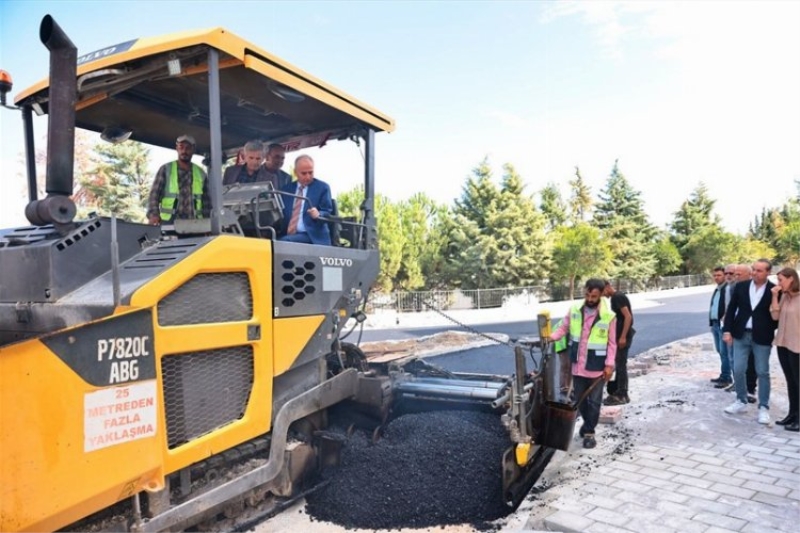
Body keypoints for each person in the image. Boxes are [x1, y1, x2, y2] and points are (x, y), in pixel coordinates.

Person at [550, 278, 617, 449]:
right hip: (578, 366)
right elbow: (563, 328)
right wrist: (549, 337)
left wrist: (609, 365)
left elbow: (612, 344)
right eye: (587, 295)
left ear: (601, 295)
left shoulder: (609, 316)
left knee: (594, 402)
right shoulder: (574, 309)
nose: (590, 299)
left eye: (594, 296)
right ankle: (588, 424)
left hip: (597, 368)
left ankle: (589, 433)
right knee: (580, 400)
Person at [722, 259, 778, 424]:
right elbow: (731, 310)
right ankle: (741, 400)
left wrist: (770, 329)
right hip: (740, 334)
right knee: (738, 369)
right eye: (754, 269)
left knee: (762, 371)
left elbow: (777, 315)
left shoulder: (773, 290)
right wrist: (727, 331)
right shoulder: (741, 286)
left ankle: (763, 407)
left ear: (768, 272)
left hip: (762, 337)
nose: (755, 273)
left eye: (759, 270)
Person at [147, 134, 211, 225]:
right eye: (181, 147)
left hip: (195, 224)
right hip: (169, 223)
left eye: (188, 148)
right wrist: (154, 215)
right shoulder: (166, 169)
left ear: (193, 149)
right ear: (177, 148)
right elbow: (154, 195)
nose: (184, 151)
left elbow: (206, 202)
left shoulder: (201, 173)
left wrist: (207, 224)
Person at [278, 155, 332, 245]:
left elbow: (327, 212)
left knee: (284, 242)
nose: (308, 177)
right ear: (295, 172)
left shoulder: (323, 188)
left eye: (310, 173)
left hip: (312, 235)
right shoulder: (286, 189)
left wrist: (318, 214)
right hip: (287, 234)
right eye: (303, 173)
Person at [770, 267, 800, 432]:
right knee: (790, 381)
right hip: (783, 344)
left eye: (781, 280)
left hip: (797, 346)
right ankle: (792, 414)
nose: (778, 283)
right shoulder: (785, 297)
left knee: (798, 382)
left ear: (791, 279)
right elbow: (775, 316)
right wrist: (775, 295)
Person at [602, 280, 635, 406]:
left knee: (621, 364)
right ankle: (620, 391)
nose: (602, 295)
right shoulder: (615, 298)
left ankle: (622, 394)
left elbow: (628, 316)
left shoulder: (617, 297)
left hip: (623, 336)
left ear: (607, 287)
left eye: (602, 291)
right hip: (621, 335)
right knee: (619, 363)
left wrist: (622, 337)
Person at [708, 266, 732, 388]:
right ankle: (725, 375)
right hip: (715, 324)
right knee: (720, 351)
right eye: (715, 275)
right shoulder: (717, 289)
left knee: (725, 352)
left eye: (719, 275)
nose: (716, 277)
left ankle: (726, 377)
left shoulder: (727, 289)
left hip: (724, 325)